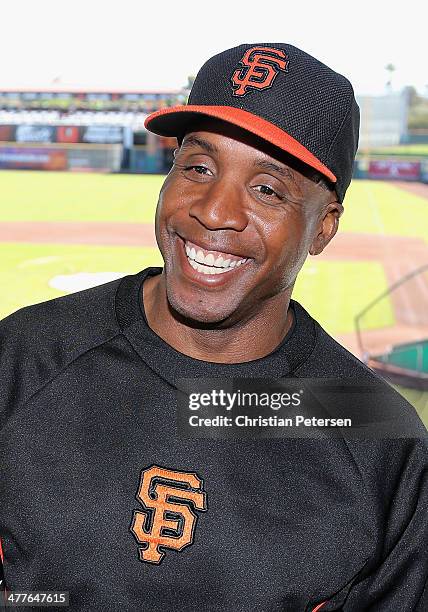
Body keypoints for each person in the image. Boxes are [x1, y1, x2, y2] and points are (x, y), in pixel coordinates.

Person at [0, 43, 427, 612]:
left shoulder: (378, 436)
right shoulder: (26, 357)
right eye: (198, 167)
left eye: (267, 189)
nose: (215, 211)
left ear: (323, 227)